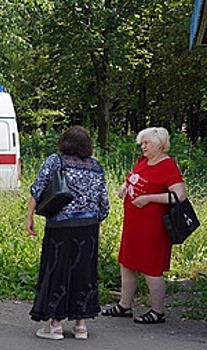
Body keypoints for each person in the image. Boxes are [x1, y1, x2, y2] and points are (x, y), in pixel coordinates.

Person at [26, 126, 110, 340]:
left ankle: (55, 325)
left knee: (57, 271)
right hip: (88, 226)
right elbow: (104, 203)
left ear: (64, 142)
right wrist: (95, 221)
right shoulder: (95, 166)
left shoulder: (56, 160)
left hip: (61, 227)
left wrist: (30, 218)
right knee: (84, 272)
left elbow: (38, 189)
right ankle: (81, 325)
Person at [101, 127, 187, 324]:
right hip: (134, 225)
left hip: (153, 227)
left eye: (146, 143)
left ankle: (157, 311)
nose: (143, 146)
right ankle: (125, 305)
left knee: (151, 267)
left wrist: (149, 198)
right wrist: (125, 186)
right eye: (142, 143)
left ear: (159, 144)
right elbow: (134, 178)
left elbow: (180, 195)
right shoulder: (143, 161)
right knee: (127, 263)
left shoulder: (167, 166)